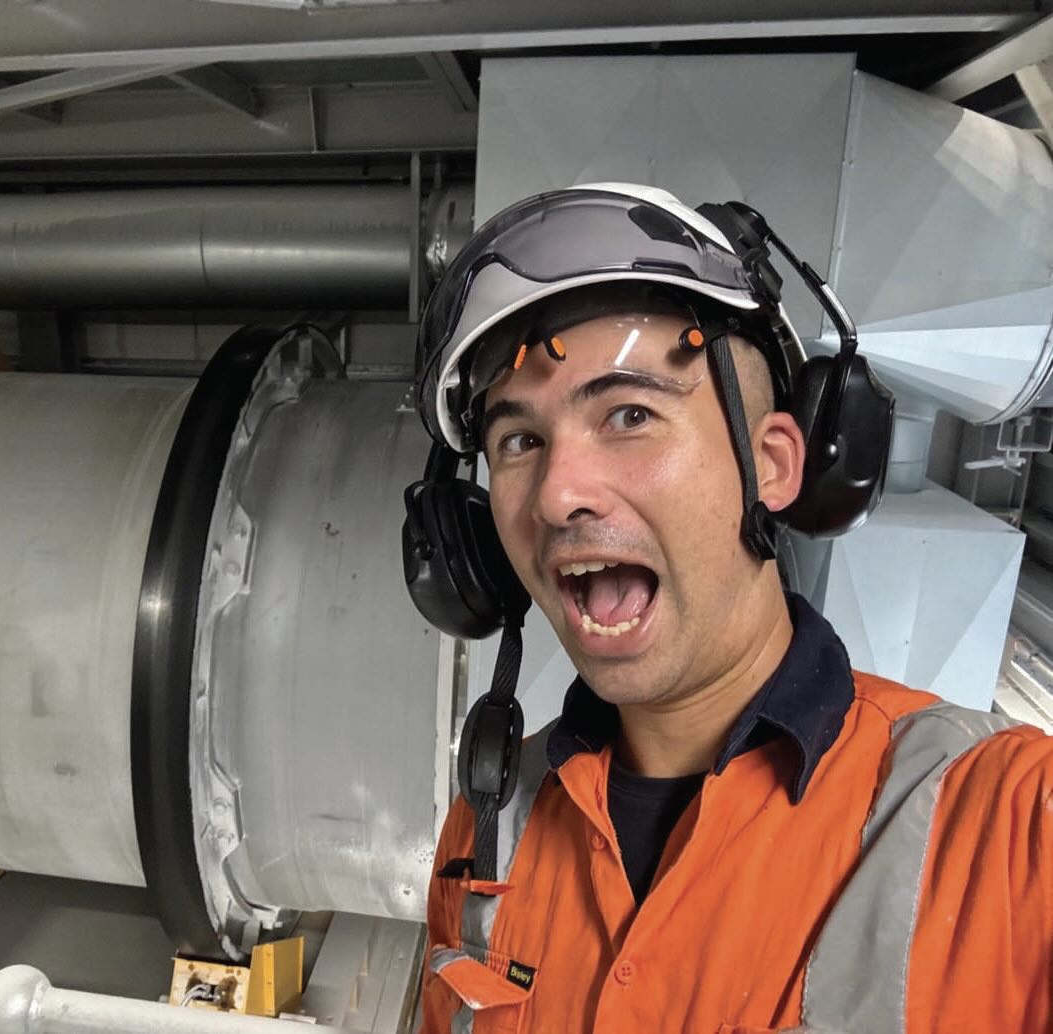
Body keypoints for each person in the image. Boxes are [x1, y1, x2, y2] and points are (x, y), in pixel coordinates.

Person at [403, 183, 1053, 1033]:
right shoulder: (488, 823)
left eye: (628, 414)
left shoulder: (1009, 823)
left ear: (774, 466)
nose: (558, 494)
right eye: (519, 442)